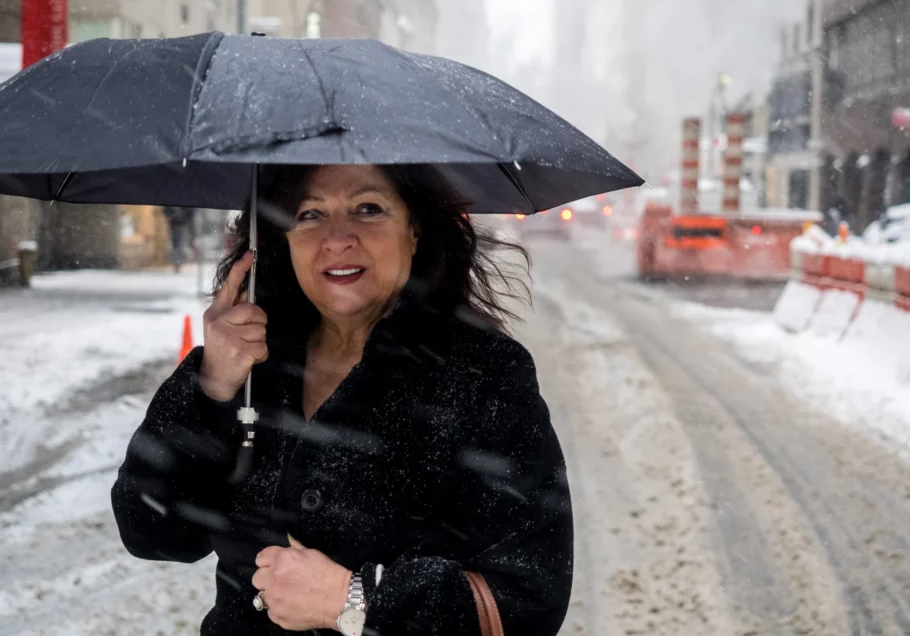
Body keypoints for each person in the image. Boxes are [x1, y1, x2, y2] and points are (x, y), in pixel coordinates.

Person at [111, 163, 573, 635]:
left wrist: (354, 599)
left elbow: (530, 599)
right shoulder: (254, 365)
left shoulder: (482, 374)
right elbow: (152, 531)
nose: (337, 238)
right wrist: (212, 385)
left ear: (414, 229)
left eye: (368, 209)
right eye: (309, 214)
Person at [164, 205, 196, 272]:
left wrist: (183, 216)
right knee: (176, 244)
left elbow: (191, 211)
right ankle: (177, 262)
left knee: (180, 243)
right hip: (174, 223)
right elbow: (166, 209)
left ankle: (178, 262)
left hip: (182, 224)